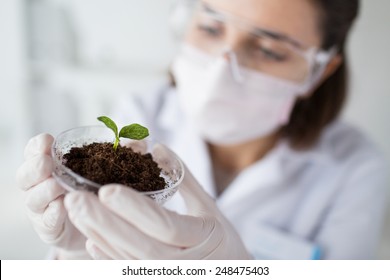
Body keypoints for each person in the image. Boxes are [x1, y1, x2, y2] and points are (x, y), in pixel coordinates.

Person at [16, 0, 389, 259]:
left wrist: (236, 268)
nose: (220, 70)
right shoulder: (141, 115)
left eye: (271, 51)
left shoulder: (355, 169)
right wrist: (78, 255)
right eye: (211, 28)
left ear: (320, 71)